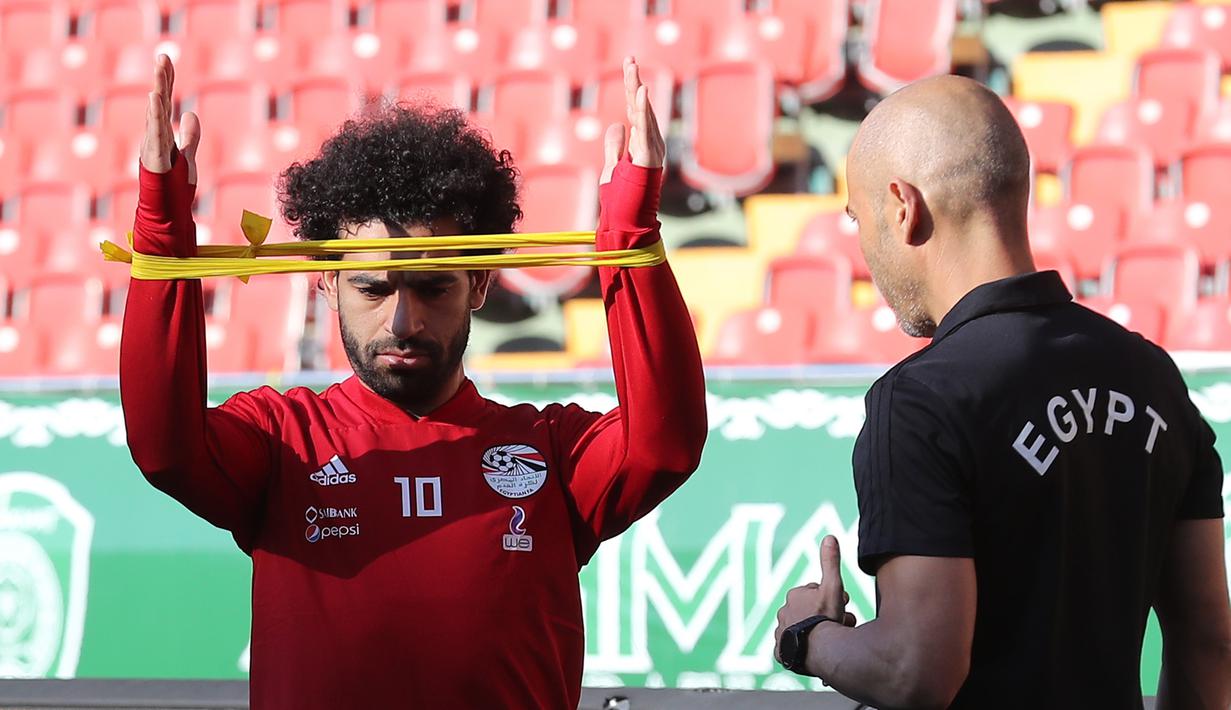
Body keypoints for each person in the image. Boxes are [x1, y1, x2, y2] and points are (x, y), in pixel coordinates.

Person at [121, 53, 707, 709]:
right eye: (373, 288)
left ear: (479, 283)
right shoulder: (283, 440)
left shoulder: (548, 448)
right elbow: (163, 447)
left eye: (432, 287)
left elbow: (665, 446)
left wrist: (631, 235)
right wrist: (161, 233)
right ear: (327, 284)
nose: (402, 320)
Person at [773, 75, 1231, 709]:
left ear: (904, 208)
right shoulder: (1151, 374)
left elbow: (919, 671)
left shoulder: (919, 400)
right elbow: (1209, 642)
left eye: (859, 217)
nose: (863, 249)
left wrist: (807, 636)